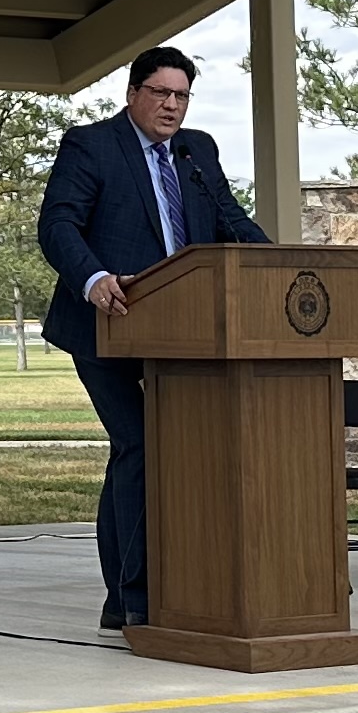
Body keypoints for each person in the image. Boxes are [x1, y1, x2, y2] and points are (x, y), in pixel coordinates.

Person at [37, 45, 268, 631]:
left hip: (183, 333)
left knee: (171, 452)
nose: (172, 106)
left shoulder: (197, 151)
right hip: (105, 325)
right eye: (161, 93)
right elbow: (58, 224)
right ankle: (134, 595)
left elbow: (229, 220)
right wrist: (93, 279)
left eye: (181, 96)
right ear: (133, 93)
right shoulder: (91, 145)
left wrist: (274, 265)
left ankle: (141, 593)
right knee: (139, 444)